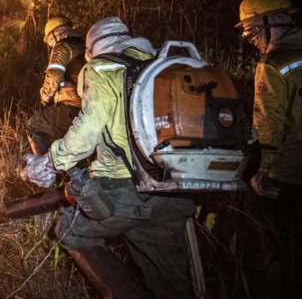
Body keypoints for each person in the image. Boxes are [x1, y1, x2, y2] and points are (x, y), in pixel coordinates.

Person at [23, 17, 195, 299]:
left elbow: (88, 129)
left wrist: (50, 162)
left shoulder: (101, 68)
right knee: (164, 276)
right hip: (175, 192)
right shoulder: (161, 67)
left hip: (126, 190)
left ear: (91, 51)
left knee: (70, 231)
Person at [236, 0, 302, 198]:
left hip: (286, 173)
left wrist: (259, 171)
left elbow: (267, 124)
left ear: (271, 24)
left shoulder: (272, 65)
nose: (251, 41)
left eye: (252, 32)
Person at [25, 16, 85, 156]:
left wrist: (45, 96)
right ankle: (73, 173)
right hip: (91, 107)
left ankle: (45, 172)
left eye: (50, 39)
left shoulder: (63, 46)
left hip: (73, 107)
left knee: (34, 126)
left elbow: (54, 75)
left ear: (55, 33)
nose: (51, 44)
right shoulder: (85, 44)